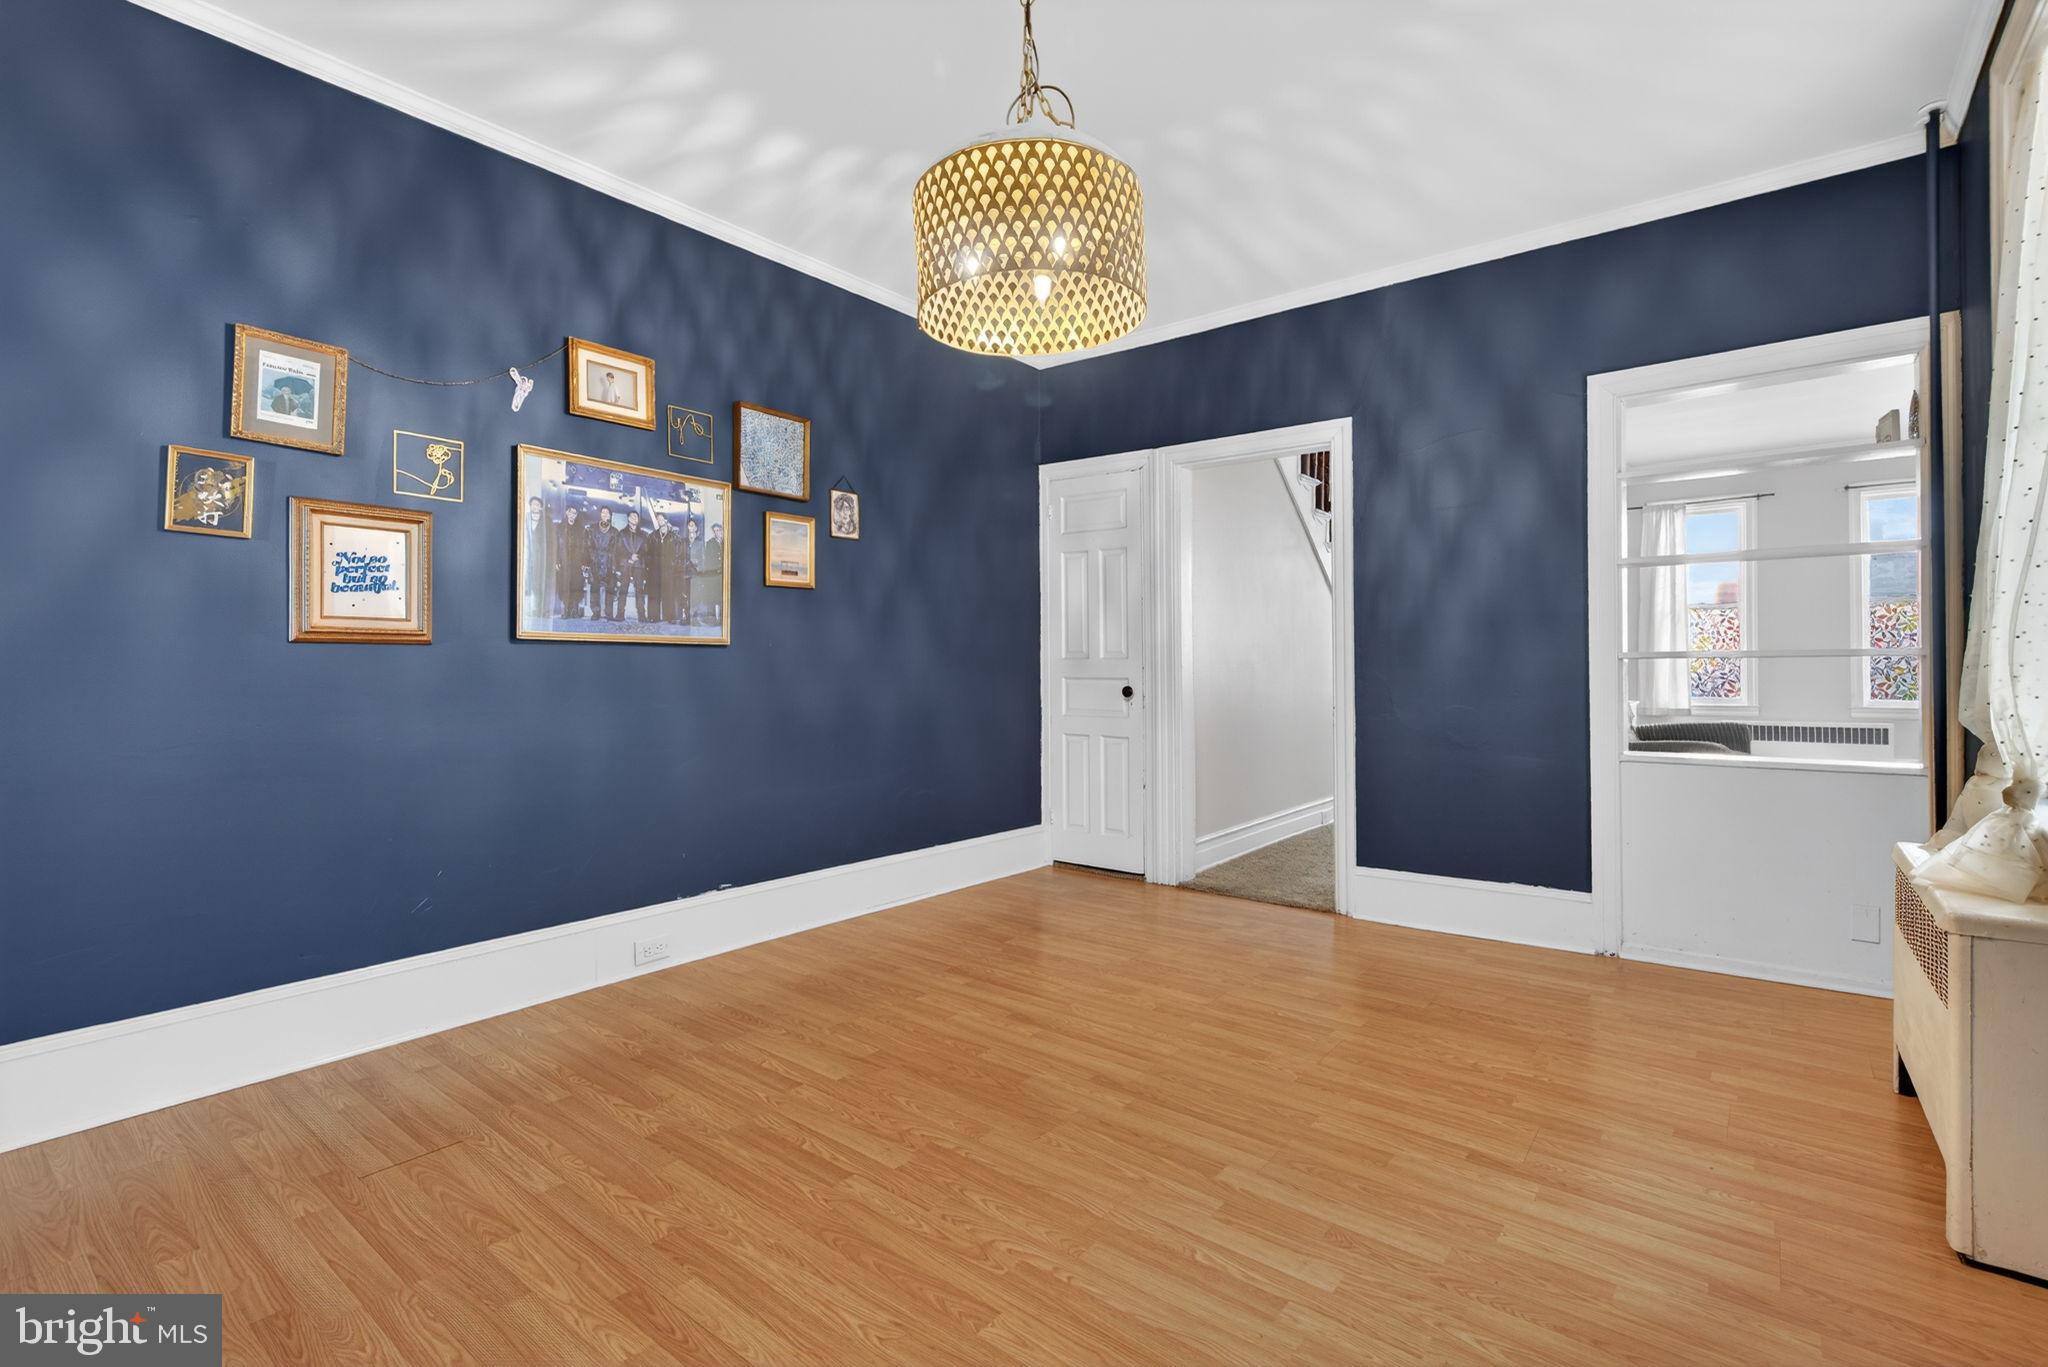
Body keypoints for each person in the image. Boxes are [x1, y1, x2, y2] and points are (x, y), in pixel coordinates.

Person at [586, 506, 622, 621]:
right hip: (595, 562)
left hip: (609, 563)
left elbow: (617, 550)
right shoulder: (591, 529)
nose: (605, 514)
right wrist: (592, 558)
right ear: (600, 514)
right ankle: (595, 612)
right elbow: (588, 546)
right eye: (603, 512)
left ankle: (609, 613)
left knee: (610, 589)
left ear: (610, 516)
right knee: (595, 589)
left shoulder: (615, 532)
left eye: (607, 512)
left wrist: (615, 566)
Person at [655, 511, 690, 625]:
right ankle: (667, 616)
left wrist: (674, 564)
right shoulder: (663, 537)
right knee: (665, 592)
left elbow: (679, 553)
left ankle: (673, 616)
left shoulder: (676, 538)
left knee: (672, 593)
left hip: (672, 569)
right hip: (663, 568)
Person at [618, 508, 652, 623]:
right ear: (628, 518)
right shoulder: (621, 533)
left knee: (639, 590)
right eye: (632, 516)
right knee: (623, 589)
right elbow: (618, 549)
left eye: (636, 517)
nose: (634, 518)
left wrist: (636, 556)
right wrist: (629, 557)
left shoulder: (643, 534)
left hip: (638, 564)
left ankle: (642, 616)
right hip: (625, 564)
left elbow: (645, 550)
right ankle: (620, 614)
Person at [554, 502, 587, 618]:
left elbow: (584, 547)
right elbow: (556, 545)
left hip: (577, 562)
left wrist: (584, 562)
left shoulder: (581, 529)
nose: (572, 515)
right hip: (564, 561)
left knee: (576, 584)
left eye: (575, 513)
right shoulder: (559, 527)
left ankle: (574, 608)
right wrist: (556, 561)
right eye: (570, 512)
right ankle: (565, 609)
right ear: (566, 513)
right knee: (564, 584)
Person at [523, 496, 551, 618]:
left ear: (541, 507)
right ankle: (529, 609)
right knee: (530, 584)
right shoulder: (525, 518)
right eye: (533, 504)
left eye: (537, 504)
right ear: (530, 505)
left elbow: (550, 541)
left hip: (541, 557)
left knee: (540, 584)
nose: (535, 506)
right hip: (527, 556)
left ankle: (541, 609)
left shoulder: (546, 521)